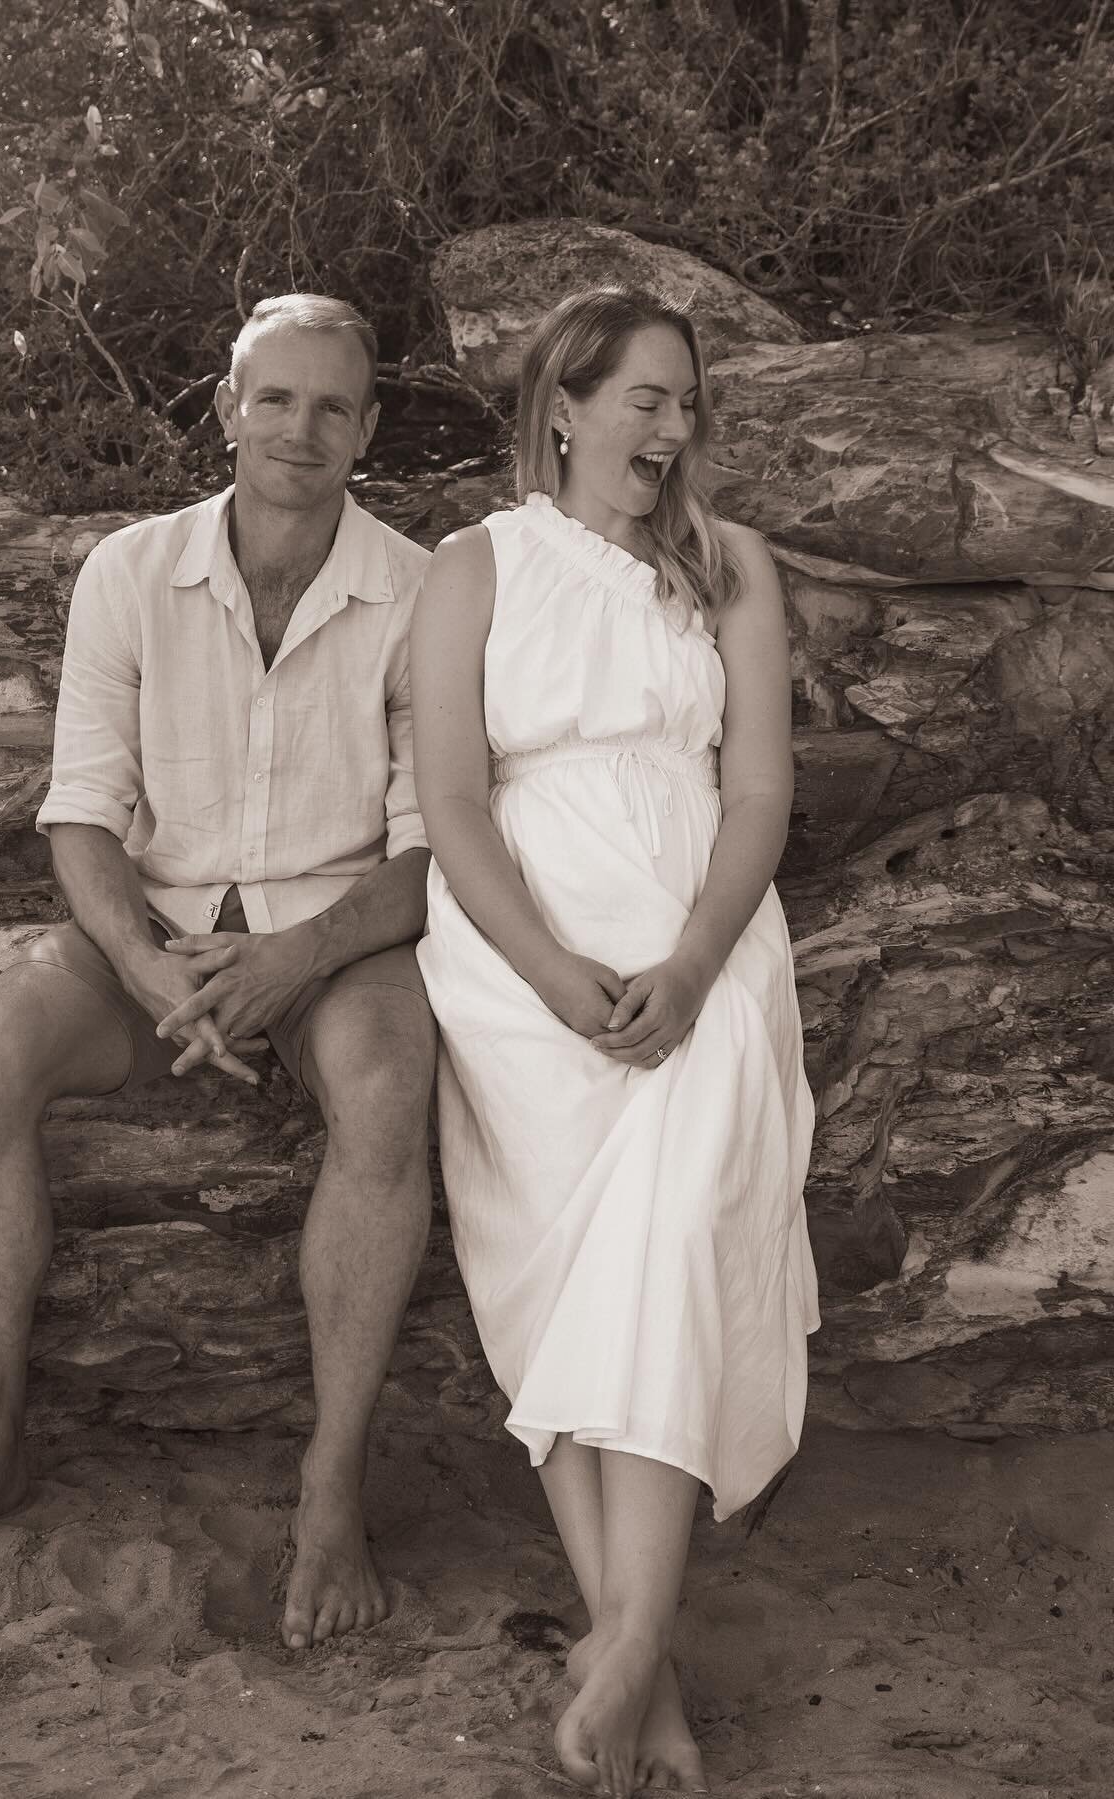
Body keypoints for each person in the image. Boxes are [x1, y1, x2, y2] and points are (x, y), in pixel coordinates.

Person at [0, 295, 438, 1653]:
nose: (300, 429)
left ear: (369, 430)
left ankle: (330, 1489)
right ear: (225, 411)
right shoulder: (128, 571)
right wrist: (152, 973)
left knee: (393, 1090)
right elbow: (83, 813)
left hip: (339, 934)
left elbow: (425, 851)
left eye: (332, 407)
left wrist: (298, 958)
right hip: (151, 924)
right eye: (273, 400)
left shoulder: (421, 590)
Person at [411, 285, 820, 1795]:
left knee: (664, 1226)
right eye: (643, 397)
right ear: (562, 409)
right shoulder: (476, 565)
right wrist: (555, 971)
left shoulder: (730, 572)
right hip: (524, 962)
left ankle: (631, 1647)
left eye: (686, 404)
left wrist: (695, 961)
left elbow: (763, 795)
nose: (669, 427)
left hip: (700, 950)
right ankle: (641, 1668)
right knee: (578, 1285)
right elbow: (453, 801)